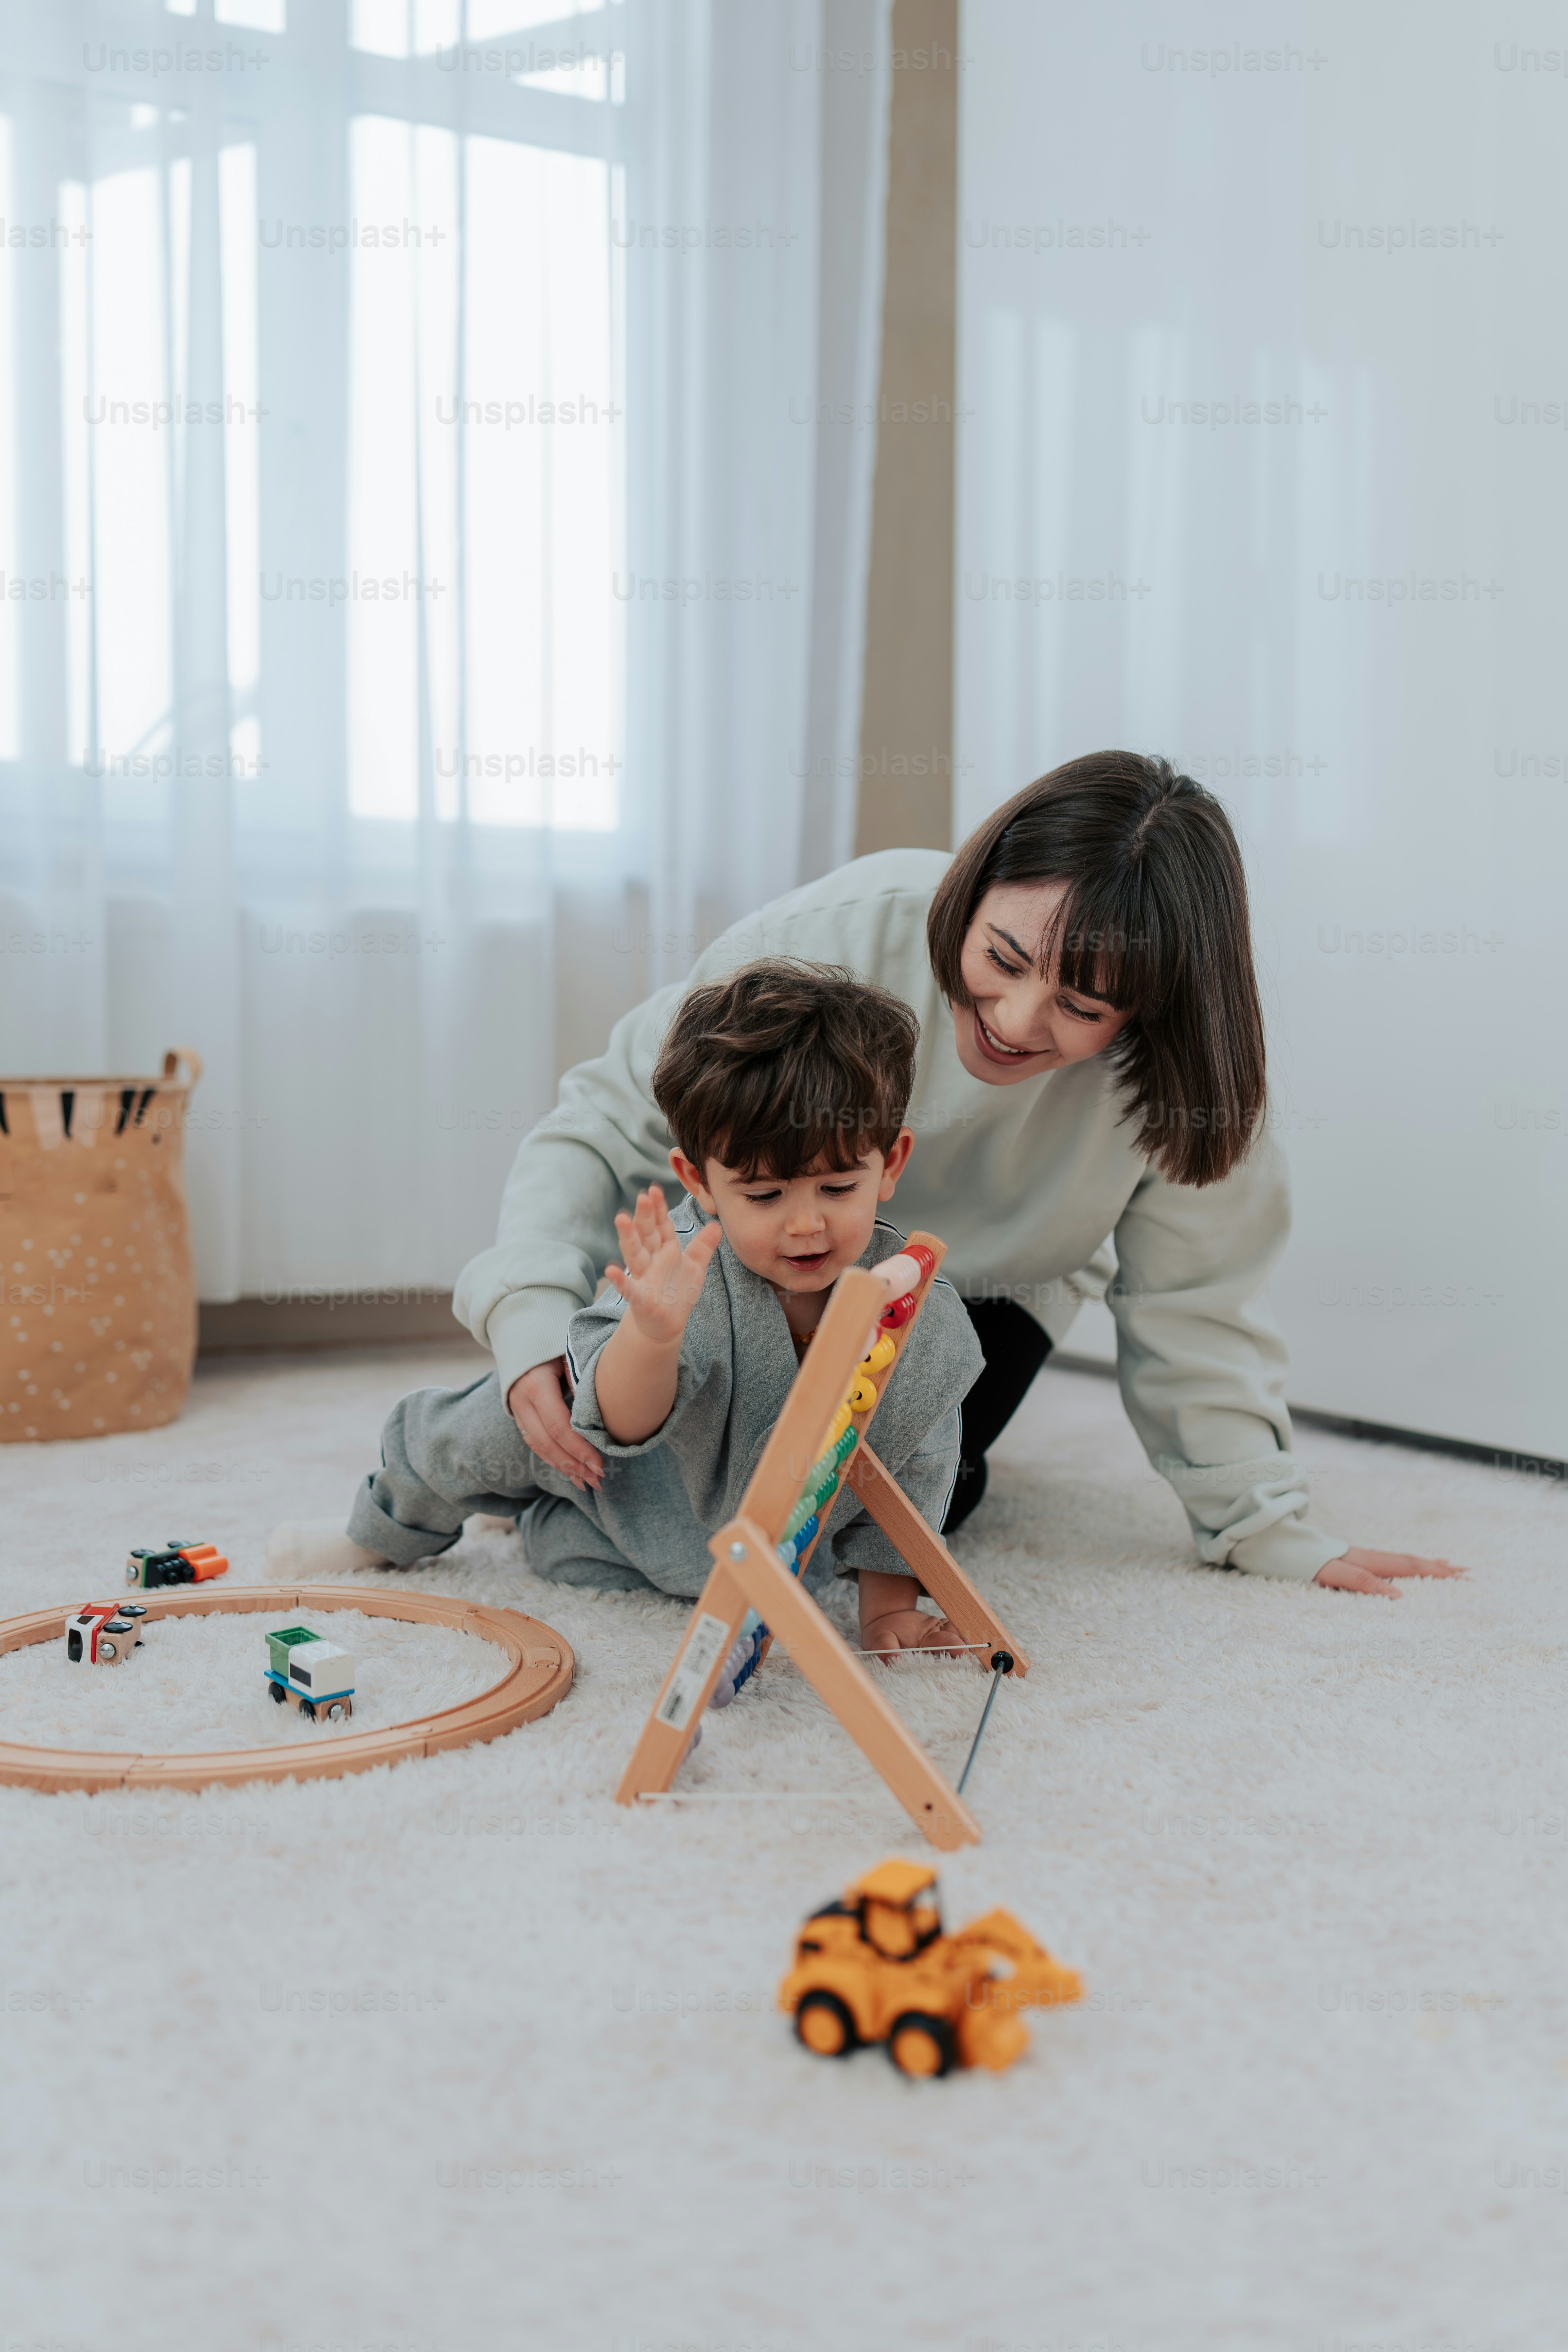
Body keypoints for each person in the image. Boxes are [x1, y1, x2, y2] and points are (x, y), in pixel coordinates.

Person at [463, 752, 1464, 1601]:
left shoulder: (1181, 1086)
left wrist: (1262, 1522)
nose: (1017, 1019)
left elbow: (1196, 1306)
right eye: (1002, 955)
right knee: (653, 1419)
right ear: (975, 882)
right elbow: (604, 1120)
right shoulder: (849, 927)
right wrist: (531, 1319)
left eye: (1079, 1004)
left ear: (1148, 1015)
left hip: (970, 1291)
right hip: (746, 1255)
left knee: (900, 1504)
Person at [267, 963, 984, 1653]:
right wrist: (653, 1333)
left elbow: (912, 1462)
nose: (805, 1225)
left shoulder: (913, 1305)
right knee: (496, 1421)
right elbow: (621, 1421)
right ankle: (381, 1529)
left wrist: (890, 1609)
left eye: (836, 1189)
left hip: (706, 1549)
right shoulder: (683, 1268)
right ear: (698, 1181)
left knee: (562, 1548)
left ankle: (530, 1518)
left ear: (890, 1163)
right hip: (617, 1470)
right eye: (764, 1196)